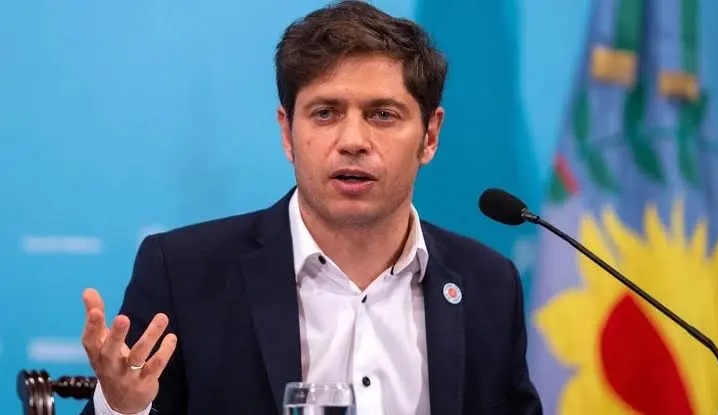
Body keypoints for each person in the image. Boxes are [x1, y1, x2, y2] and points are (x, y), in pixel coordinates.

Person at [79, 1, 542, 414]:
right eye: (325, 113)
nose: (353, 141)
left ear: (430, 136)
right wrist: (124, 410)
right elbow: (134, 396)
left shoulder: (488, 285)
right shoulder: (183, 273)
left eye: (382, 114)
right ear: (287, 133)